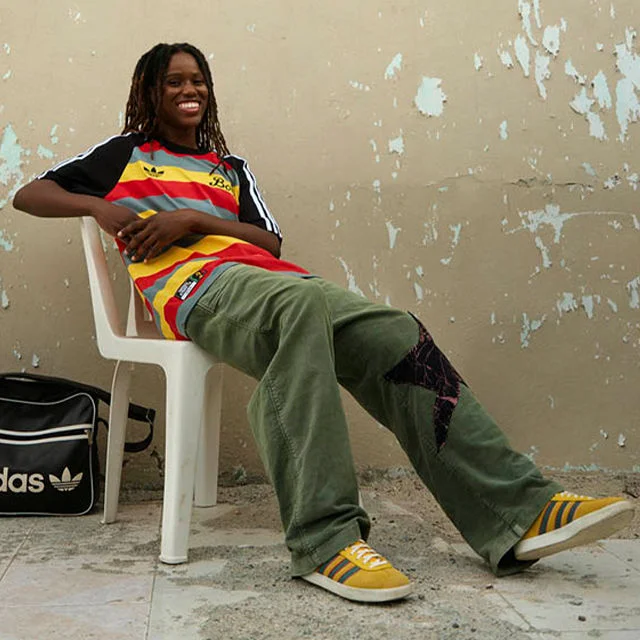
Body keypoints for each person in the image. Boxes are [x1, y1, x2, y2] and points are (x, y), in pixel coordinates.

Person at [13, 42, 635, 604]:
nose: (188, 90)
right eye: (173, 81)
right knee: (300, 307)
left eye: (197, 80)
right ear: (150, 92)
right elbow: (30, 194)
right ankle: (326, 540)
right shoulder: (125, 154)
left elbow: (269, 241)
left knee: (398, 333)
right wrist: (100, 208)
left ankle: (518, 511)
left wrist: (193, 220)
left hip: (275, 284)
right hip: (197, 291)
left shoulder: (230, 167)